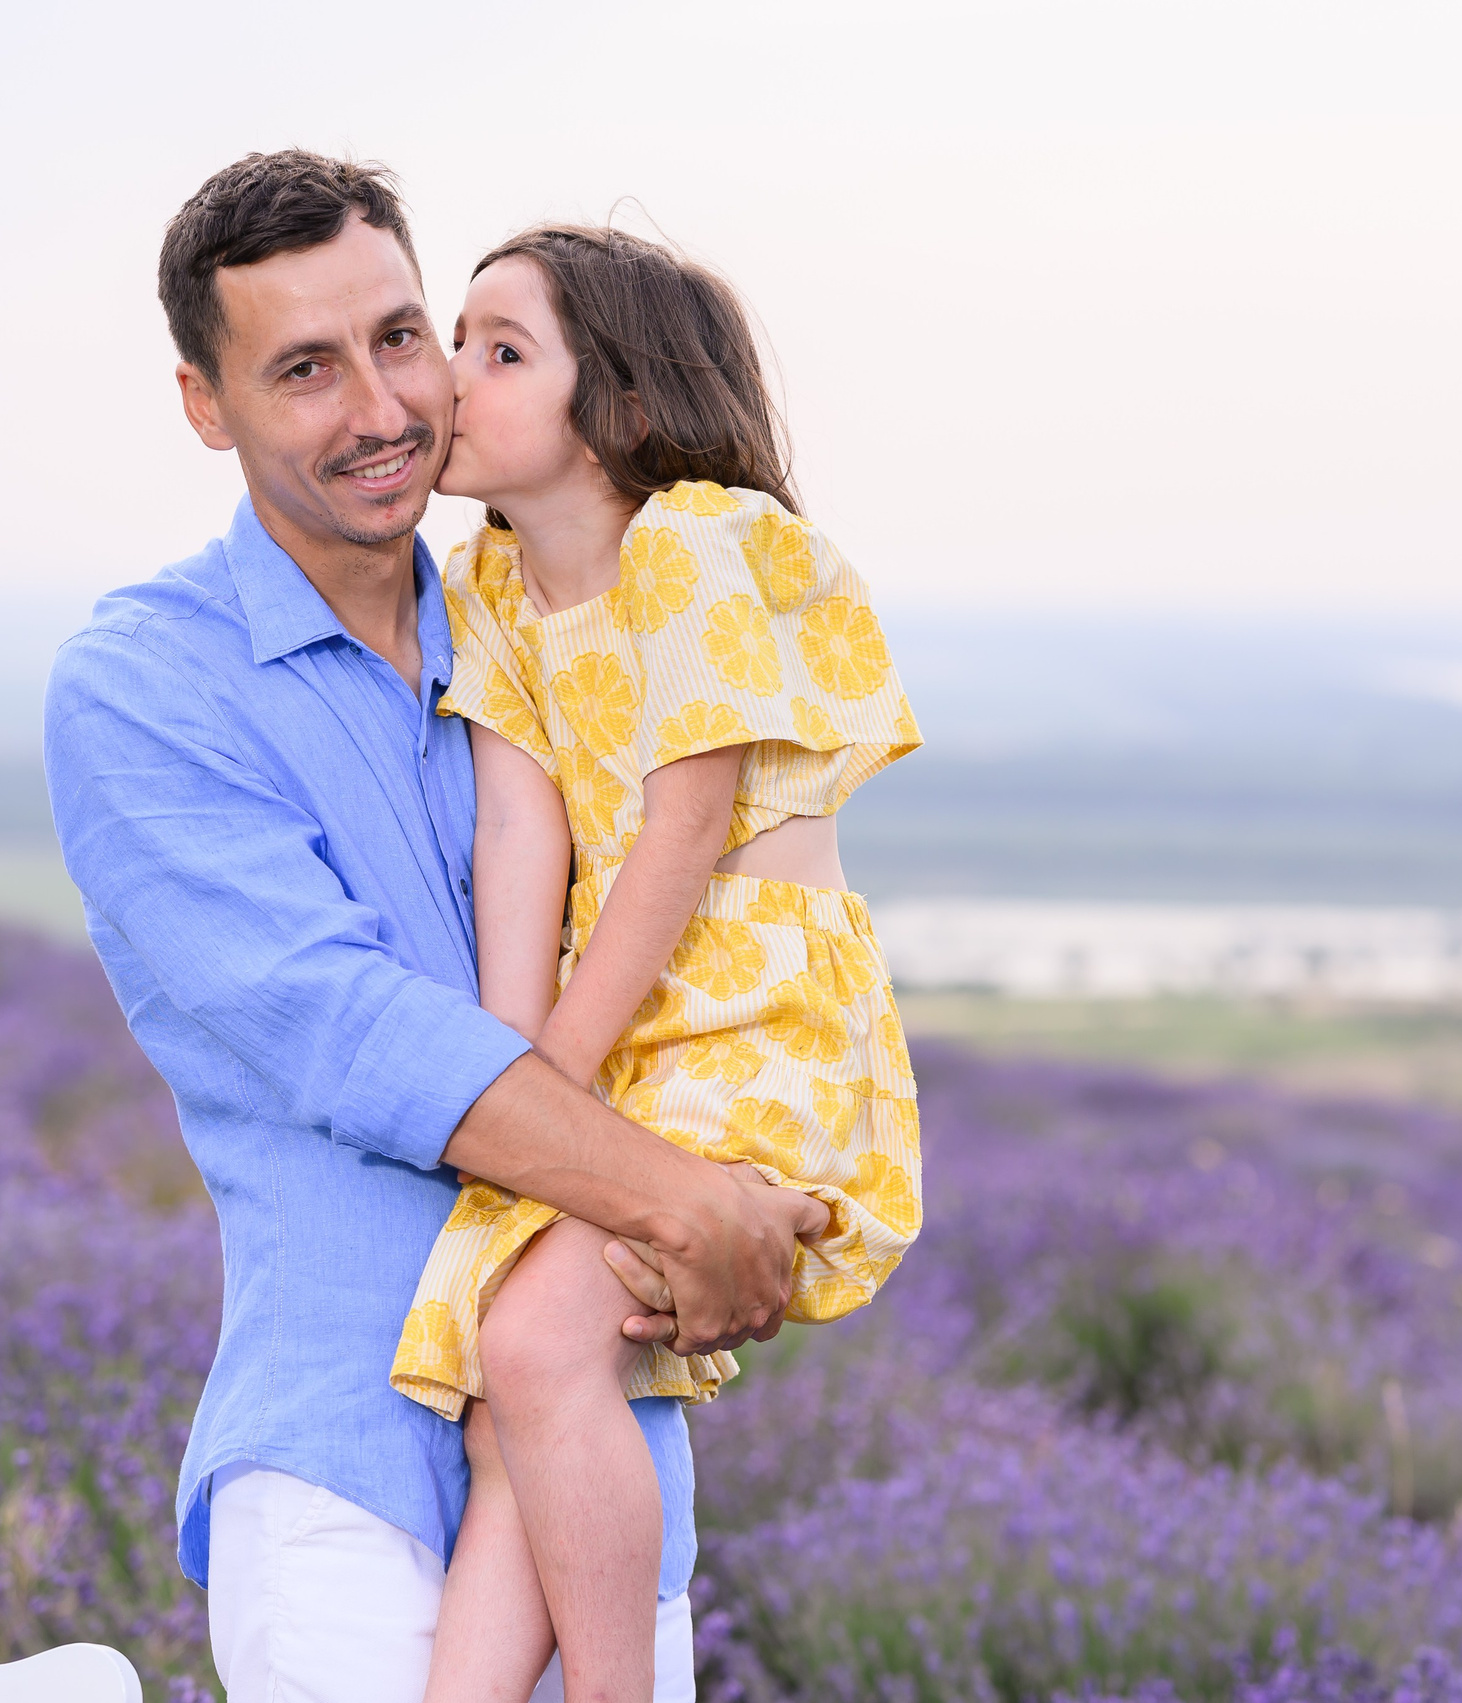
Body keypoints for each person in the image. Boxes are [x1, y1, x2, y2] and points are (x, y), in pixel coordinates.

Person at [43, 151, 822, 1703]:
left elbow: (739, 908)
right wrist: (687, 1206)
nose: (384, 406)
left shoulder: (549, 615)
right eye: (305, 370)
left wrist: (762, 1171)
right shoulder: (146, 685)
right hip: (346, 1477)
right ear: (207, 403)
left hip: (605, 1467)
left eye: (404, 339)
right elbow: (361, 1038)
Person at [390, 226, 925, 1703]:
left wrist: (542, 1079)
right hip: (616, 1031)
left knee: (542, 1342)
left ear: (620, 408)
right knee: (511, 1396)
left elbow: (680, 836)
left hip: (750, 1017)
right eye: (461, 336)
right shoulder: (488, 581)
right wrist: (514, 1075)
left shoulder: (687, 540)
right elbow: (519, 830)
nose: (452, 376)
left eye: (503, 351)